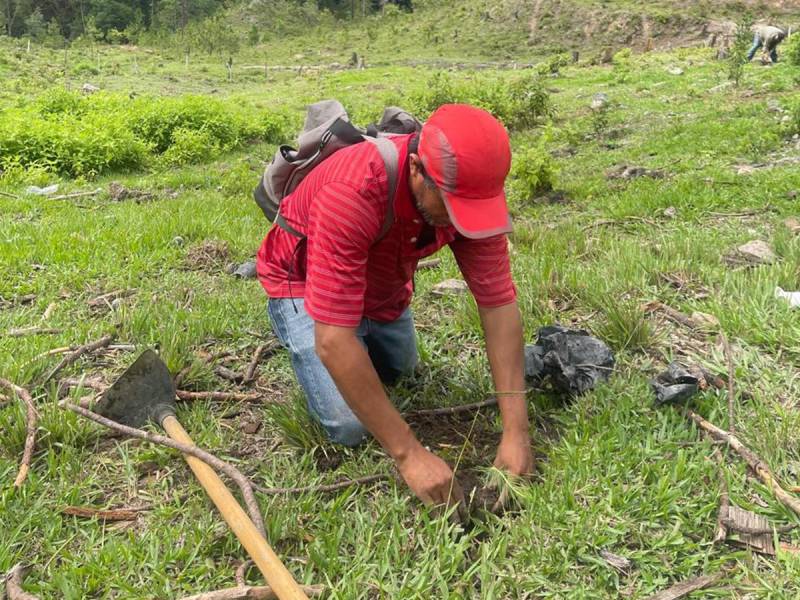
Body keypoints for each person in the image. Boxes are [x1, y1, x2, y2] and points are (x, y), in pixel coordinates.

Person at [256, 104, 532, 509]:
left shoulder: (471, 192)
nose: (460, 222)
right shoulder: (354, 190)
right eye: (451, 208)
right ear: (418, 170)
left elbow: (499, 307)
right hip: (301, 281)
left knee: (401, 374)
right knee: (349, 425)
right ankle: (296, 330)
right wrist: (410, 455)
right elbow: (333, 340)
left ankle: (364, 331)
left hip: (380, 282)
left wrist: (516, 431)